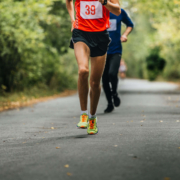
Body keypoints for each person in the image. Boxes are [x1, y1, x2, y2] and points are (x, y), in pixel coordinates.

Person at [66, 0, 121, 134]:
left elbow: (117, 10)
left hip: (100, 35)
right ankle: (83, 114)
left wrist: (103, 2)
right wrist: (73, 19)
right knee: (83, 70)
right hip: (81, 33)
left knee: (95, 82)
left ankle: (92, 118)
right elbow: (68, 2)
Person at [102, 9, 134, 113]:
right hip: (101, 52)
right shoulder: (98, 11)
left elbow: (130, 24)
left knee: (112, 73)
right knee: (104, 79)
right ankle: (110, 104)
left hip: (115, 50)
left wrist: (124, 34)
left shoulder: (119, 12)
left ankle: (114, 93)